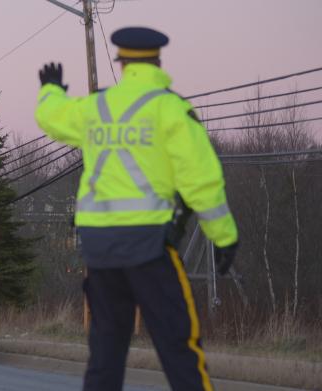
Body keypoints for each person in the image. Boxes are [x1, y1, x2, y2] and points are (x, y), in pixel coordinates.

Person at [35, 27, 239, 391]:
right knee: (179, 346)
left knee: (105, 354)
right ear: (157, 61)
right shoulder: (169, 109)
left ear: (122, 61)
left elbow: (52, 117)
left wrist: (51, 89)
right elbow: (201, 182)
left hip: (99, 249)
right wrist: (224, 237)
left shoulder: (95, 106)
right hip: (148, 245)